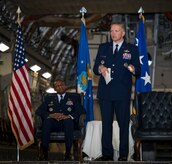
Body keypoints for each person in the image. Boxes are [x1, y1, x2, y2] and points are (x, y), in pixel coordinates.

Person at [93, 21, 141, 161]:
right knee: (106, 124)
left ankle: (123, 154)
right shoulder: (103, 47)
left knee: (123, 125)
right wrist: (100, 69)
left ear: (123, 33)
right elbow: (96, 66)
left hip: (122, 93)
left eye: (116, 31)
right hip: (105, 93)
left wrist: (133, 69)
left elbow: (138, 70)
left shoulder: (131, 49)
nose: (113, 33)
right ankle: (107, 154)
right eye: (111, 31)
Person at [36, 79, 86, 161]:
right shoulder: (49, 98)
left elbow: (81, 111)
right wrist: (50, 115)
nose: (60, 87)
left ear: (65, 86)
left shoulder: (73, 98)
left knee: (68, 121)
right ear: (55, 89)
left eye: (62, 85)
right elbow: (39, 111)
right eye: (57, 86)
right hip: (53, 123)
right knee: (47, 121)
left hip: (66, 123)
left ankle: (67, 153)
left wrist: (69, 116)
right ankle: (44, 152)